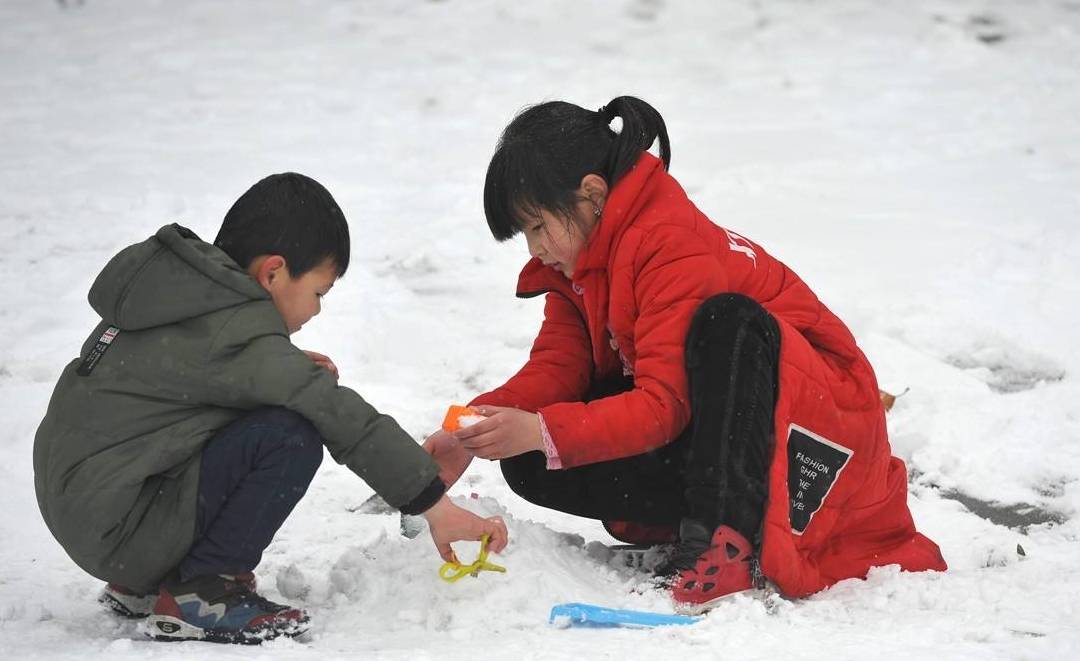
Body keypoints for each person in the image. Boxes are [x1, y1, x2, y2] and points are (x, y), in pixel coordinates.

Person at [423, 96, 945, 612]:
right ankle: (700, 520)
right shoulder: (578, 265)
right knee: (532, 456)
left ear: (592, 194)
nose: (533, 248)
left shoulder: (670, 244)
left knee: (726, 321)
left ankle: (726, 541)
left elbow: (662, 406)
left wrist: (541, 428)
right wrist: (474, 427)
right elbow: (559, 367)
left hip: (823, 438)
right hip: (737, 432)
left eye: (538, 226)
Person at [33, 173, 508, 644]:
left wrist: (282, 365)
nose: (317, 310)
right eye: (318, 293)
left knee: (280, 402)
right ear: (274, 272)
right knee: (291, 433)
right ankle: (205, 591)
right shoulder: (237, 334)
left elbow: (171, 379)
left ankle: (143, 585)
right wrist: (431, 503)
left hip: (91, 508)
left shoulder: (180, 295)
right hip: (125, 529)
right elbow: (342, 417)